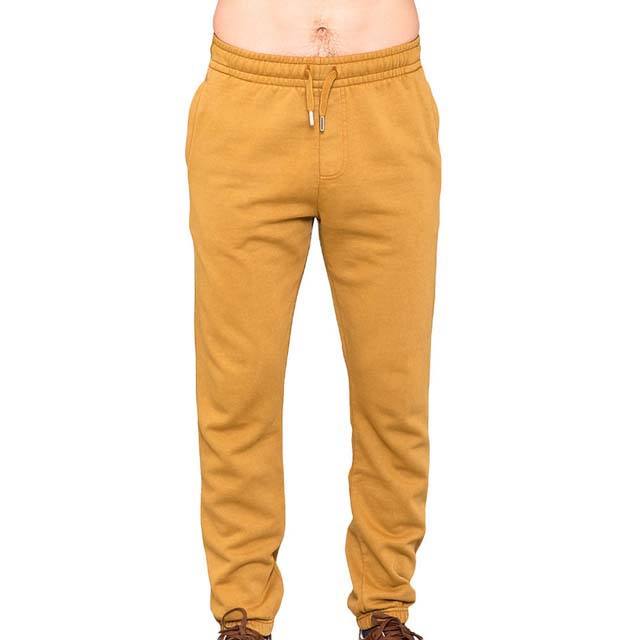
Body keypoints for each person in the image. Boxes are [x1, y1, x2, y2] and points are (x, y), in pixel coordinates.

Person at [186, 1, 440, 638]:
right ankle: (242, 617)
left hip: (386, 102)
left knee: (393, 392)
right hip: (247, 103)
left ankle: (386, 608)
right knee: (237, 390)